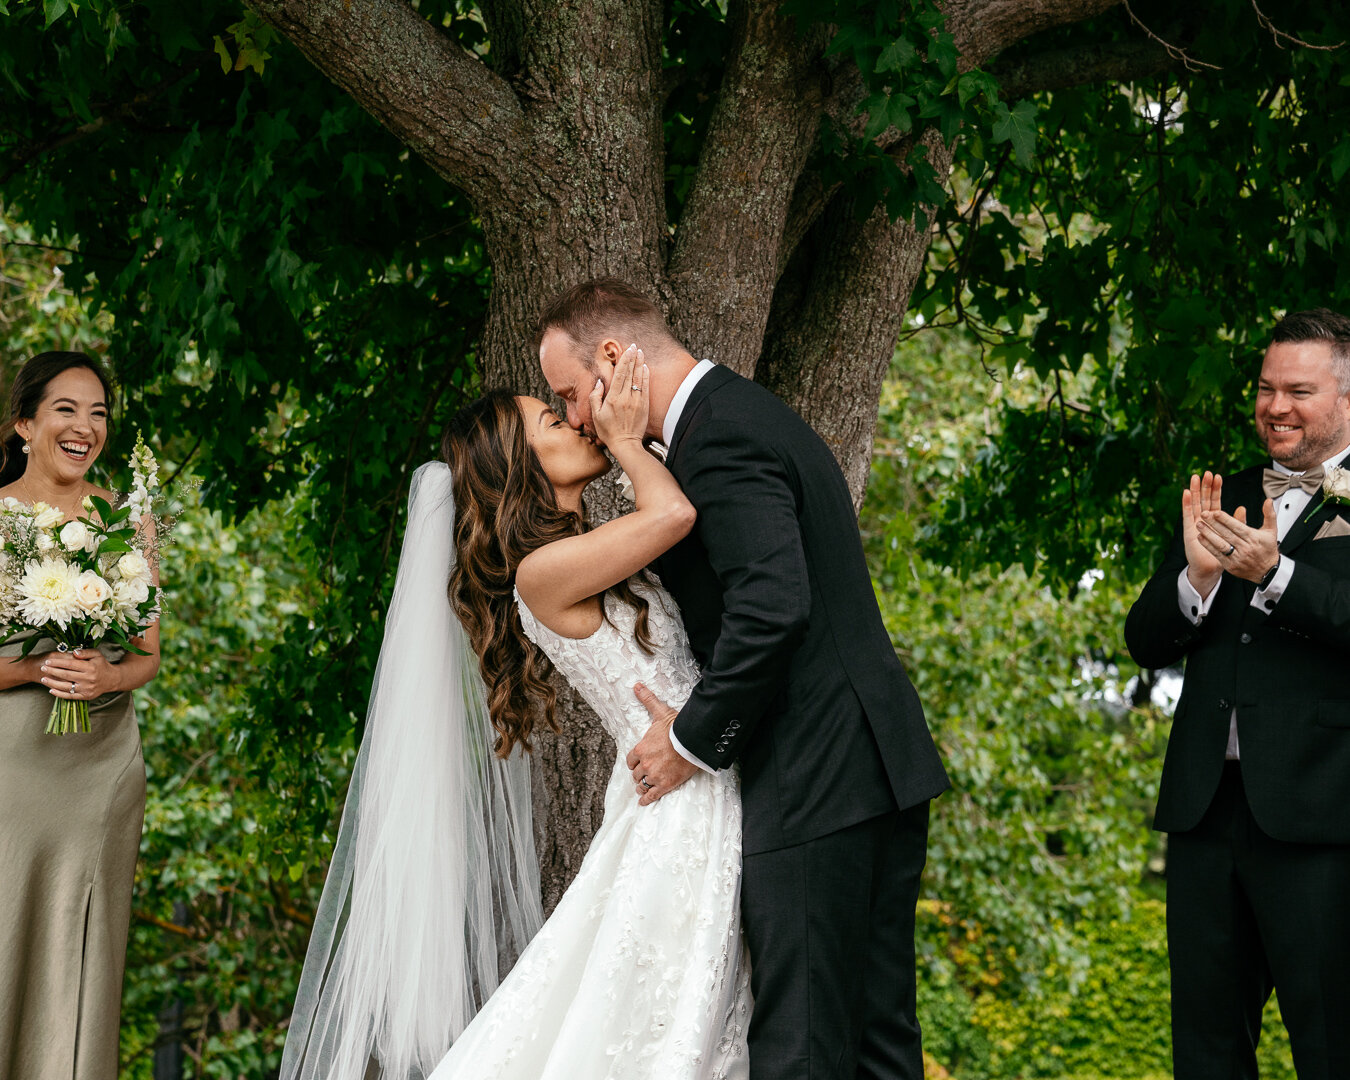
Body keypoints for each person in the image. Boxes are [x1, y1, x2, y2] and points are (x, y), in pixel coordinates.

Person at [281, 345, 749, 1080]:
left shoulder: (590, 548)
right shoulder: (542, 574)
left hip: (694, 777)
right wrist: (629, 441)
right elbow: (675, 512)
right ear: (516, 468)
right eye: (550, 423)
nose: (578, 423)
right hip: (678, 801)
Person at [537, 278, 950, 1079]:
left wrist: (689, 742)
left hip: (815, 776)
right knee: (877, 1045)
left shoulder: (718, 437)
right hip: (869, 769)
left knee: (800, 1051)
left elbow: (774, 610)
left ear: (614, 359)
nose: (576, 417)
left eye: (568, 395)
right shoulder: (741, 412)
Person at [1125, 308, 1350, 1079]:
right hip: (1206, 812)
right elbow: (1144, 640)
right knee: (1208, 1050)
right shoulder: (1225, 488)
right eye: (1265, 388)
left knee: (1333, 1043)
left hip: (1325, 817)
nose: (1275, 407)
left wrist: (1277, 576)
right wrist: (1198, 576)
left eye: (1299, 391)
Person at [0, 351, 161, 1080]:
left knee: (83, 948)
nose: (85, 426)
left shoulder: (126, 518)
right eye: (66, 409)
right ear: (25, 423)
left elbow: (148, 656)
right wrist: (36, 667)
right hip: (14, 765)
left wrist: (106, 671)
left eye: (98, 413)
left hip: (102, 768)